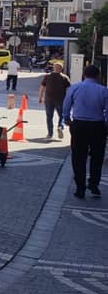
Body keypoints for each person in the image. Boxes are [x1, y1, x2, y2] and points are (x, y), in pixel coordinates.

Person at [63, 65, 108, 199]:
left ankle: (80, 187)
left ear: (84, 74)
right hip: (97, 126)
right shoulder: (103, 90)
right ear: (98, 76)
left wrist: (67, 119)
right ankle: (94, 185)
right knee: (97, 157)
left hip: (79, 125)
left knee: (78, 157)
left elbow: (66, 105)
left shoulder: (75, 88)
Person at [38, 63, 70, 139]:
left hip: (48, 100)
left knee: (49, 117)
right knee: (61, 115)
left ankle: (50, 134)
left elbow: (42, 88)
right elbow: (69, 89)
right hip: (60, 99)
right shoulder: (64, 77)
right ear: (61, 69)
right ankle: (60, 127)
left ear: (54, 68)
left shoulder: (47, 76)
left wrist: (40, 97)